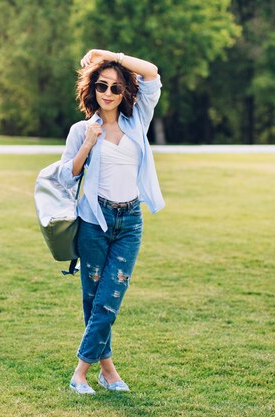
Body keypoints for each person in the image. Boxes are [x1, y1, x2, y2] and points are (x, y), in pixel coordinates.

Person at [58, 49, 165, 394]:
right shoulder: (81, 129)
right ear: (92, 89)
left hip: (130, 221)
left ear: (125, 93)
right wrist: (88, 144)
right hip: (95, 222)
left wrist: (109, 55)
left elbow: (151, 72)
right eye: (102, 85)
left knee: (109, 298)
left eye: (115, 88)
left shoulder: (138, 122)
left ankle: (81, 372)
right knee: (95, 301)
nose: (107, 93)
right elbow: (67, 176)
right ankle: (107, 372)